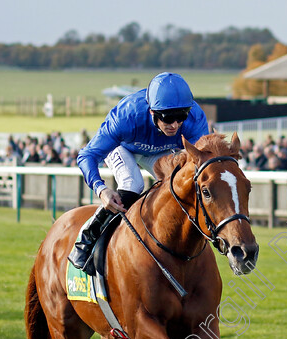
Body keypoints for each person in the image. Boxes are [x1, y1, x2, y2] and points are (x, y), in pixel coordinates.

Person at [69, 72, 209, 273]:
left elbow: (202, 164)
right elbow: (86, 156)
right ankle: (88, 237)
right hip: (124, 147)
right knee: (132, 184)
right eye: (168, 118)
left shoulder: (195, 119)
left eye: (180, 118)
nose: (175, 125)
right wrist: (101, 190)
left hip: (159, 151)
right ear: (152, 112)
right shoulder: (127, 116)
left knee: (178, 183)